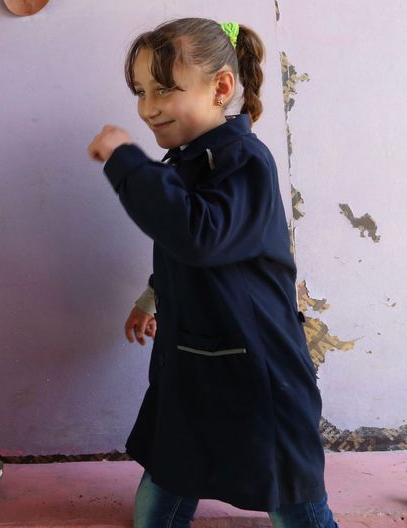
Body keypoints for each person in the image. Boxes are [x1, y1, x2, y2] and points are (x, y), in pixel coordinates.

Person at [87, 18, 337, 528]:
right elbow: (184, 249)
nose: (148, 106)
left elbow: (199, 234)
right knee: (167, 482)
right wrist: (152, 297)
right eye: (140, 91)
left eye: (164, 89)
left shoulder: (246, 160)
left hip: (257, 367)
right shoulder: (185, 160)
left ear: (221, 87)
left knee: (293, 501)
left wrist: (127, 162)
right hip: (192, 362)